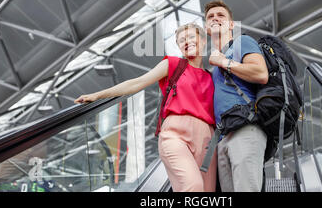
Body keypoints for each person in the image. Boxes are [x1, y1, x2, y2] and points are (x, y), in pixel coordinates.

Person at [75, 23, 217, 192]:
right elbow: (138, 82)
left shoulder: (212, 77)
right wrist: (98, 95)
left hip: (207, 140)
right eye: (181, 40)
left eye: (191, 37)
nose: (186, 42)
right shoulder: (173, 65)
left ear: (203, 41)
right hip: (175, 134)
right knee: (193, 185)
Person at [204, 0, 269, 192]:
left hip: (245, 128)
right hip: (223, 137)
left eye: (221, 15)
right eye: (210, 17)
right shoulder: (212, 68)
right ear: (207, 27)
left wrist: (224, 62)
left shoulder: (242, 43)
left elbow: (260, 74)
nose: (215, 18)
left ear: (231, 24)